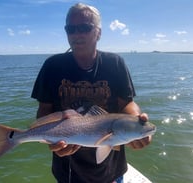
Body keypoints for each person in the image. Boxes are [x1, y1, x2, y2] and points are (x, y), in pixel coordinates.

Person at [31, 3, 152, 183]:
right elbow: (44, 110)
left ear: (99, 33)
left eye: (85, 28)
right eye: (70, 29)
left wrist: (136, 121)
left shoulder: (115, 63)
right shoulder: (52, 66)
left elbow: (127, 103)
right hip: (67, 169)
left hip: (111, 168)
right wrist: (52, 142)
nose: (77, 34)